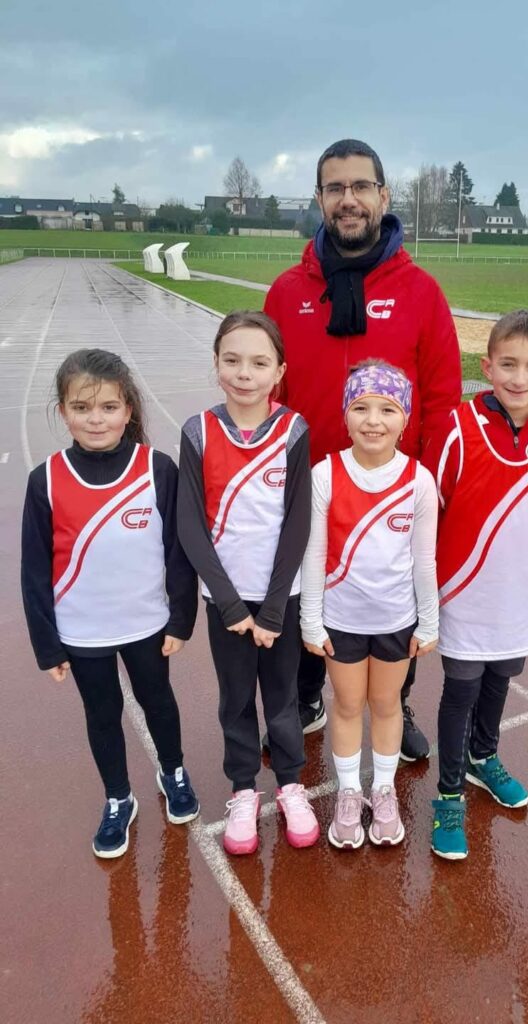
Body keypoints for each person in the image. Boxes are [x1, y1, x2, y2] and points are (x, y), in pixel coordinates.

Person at [263, 138, 461, 761]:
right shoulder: (288, 290)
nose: (347, 200)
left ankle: (394, 703)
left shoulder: (421, 292)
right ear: (319, 199)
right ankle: (306, 695)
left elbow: (441, 397)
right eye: (334, 188)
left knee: (390, 601)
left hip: (391, 491)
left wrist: (421, 484)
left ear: (384, 195)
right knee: (307, 599)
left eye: (360, 186)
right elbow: (273, 395)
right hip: (313, 489)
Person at [21, 349, 200, 859]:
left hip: (146, 622)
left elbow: (178, 553)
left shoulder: (156, 469)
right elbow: (34, 569)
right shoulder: (46, 479)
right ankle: (119, 798)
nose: (95, 419)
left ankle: (174, 773)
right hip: (82, 632)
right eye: (81, 408)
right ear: (63, 412)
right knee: (102, 713)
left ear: (128, 410)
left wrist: (180, 618)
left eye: (107, 407)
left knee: (159, 703)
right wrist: (46, 644)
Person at [424, 310, 528, 860]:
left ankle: (485, 757)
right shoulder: (456, 429)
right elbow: (429, 513)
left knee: (500, 680)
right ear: (486, 366)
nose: (518, 377)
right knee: (460, 689)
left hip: (520, 594)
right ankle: (448, 793)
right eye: (507, 364)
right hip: (465, 591)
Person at [177, 311, 319, 855]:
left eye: (259, 362)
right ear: (216, 365)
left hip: (281, 598)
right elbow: (190, 523)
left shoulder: (294, 430)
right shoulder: (198, 431)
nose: (245, 372)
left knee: (283, 699)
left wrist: (275, 606)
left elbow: (298, 520)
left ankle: (289, 784)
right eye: (232, 360)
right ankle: (242, 789)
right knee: (236, 698)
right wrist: (232, 606)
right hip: (226, 604)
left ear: (278, 371)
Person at [300, 361, 439, 849]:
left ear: (405, 419)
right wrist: (311, 620)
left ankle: (383, 789)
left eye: (387, 409)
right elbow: (314, 554)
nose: (373, 420)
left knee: (385, 704)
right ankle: (348, 792)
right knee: (348, 704)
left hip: (397, 623)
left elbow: (425, 559)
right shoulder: (325, 474)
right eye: (361, 407)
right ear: (345, 414)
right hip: (342, 621)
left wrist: (429, 619)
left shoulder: (419, 480)